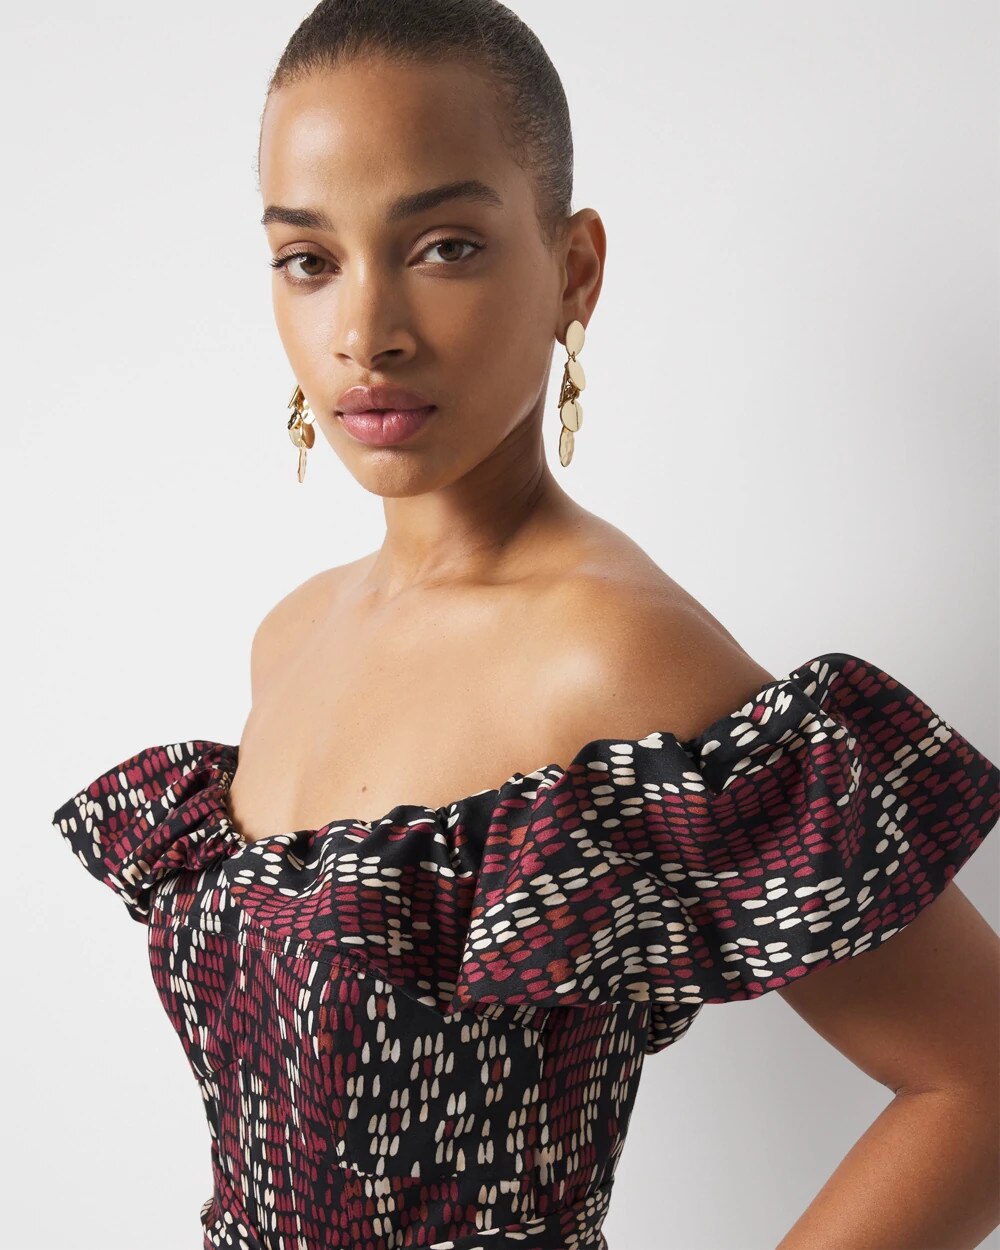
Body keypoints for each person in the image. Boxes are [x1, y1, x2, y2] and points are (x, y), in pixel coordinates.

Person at [52, 3, 1000, 1248]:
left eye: (443, 246)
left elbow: (978, 1078)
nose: (365, 332)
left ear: (573, 270)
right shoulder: (290, 637)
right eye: (309, 259)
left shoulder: (609, 656)